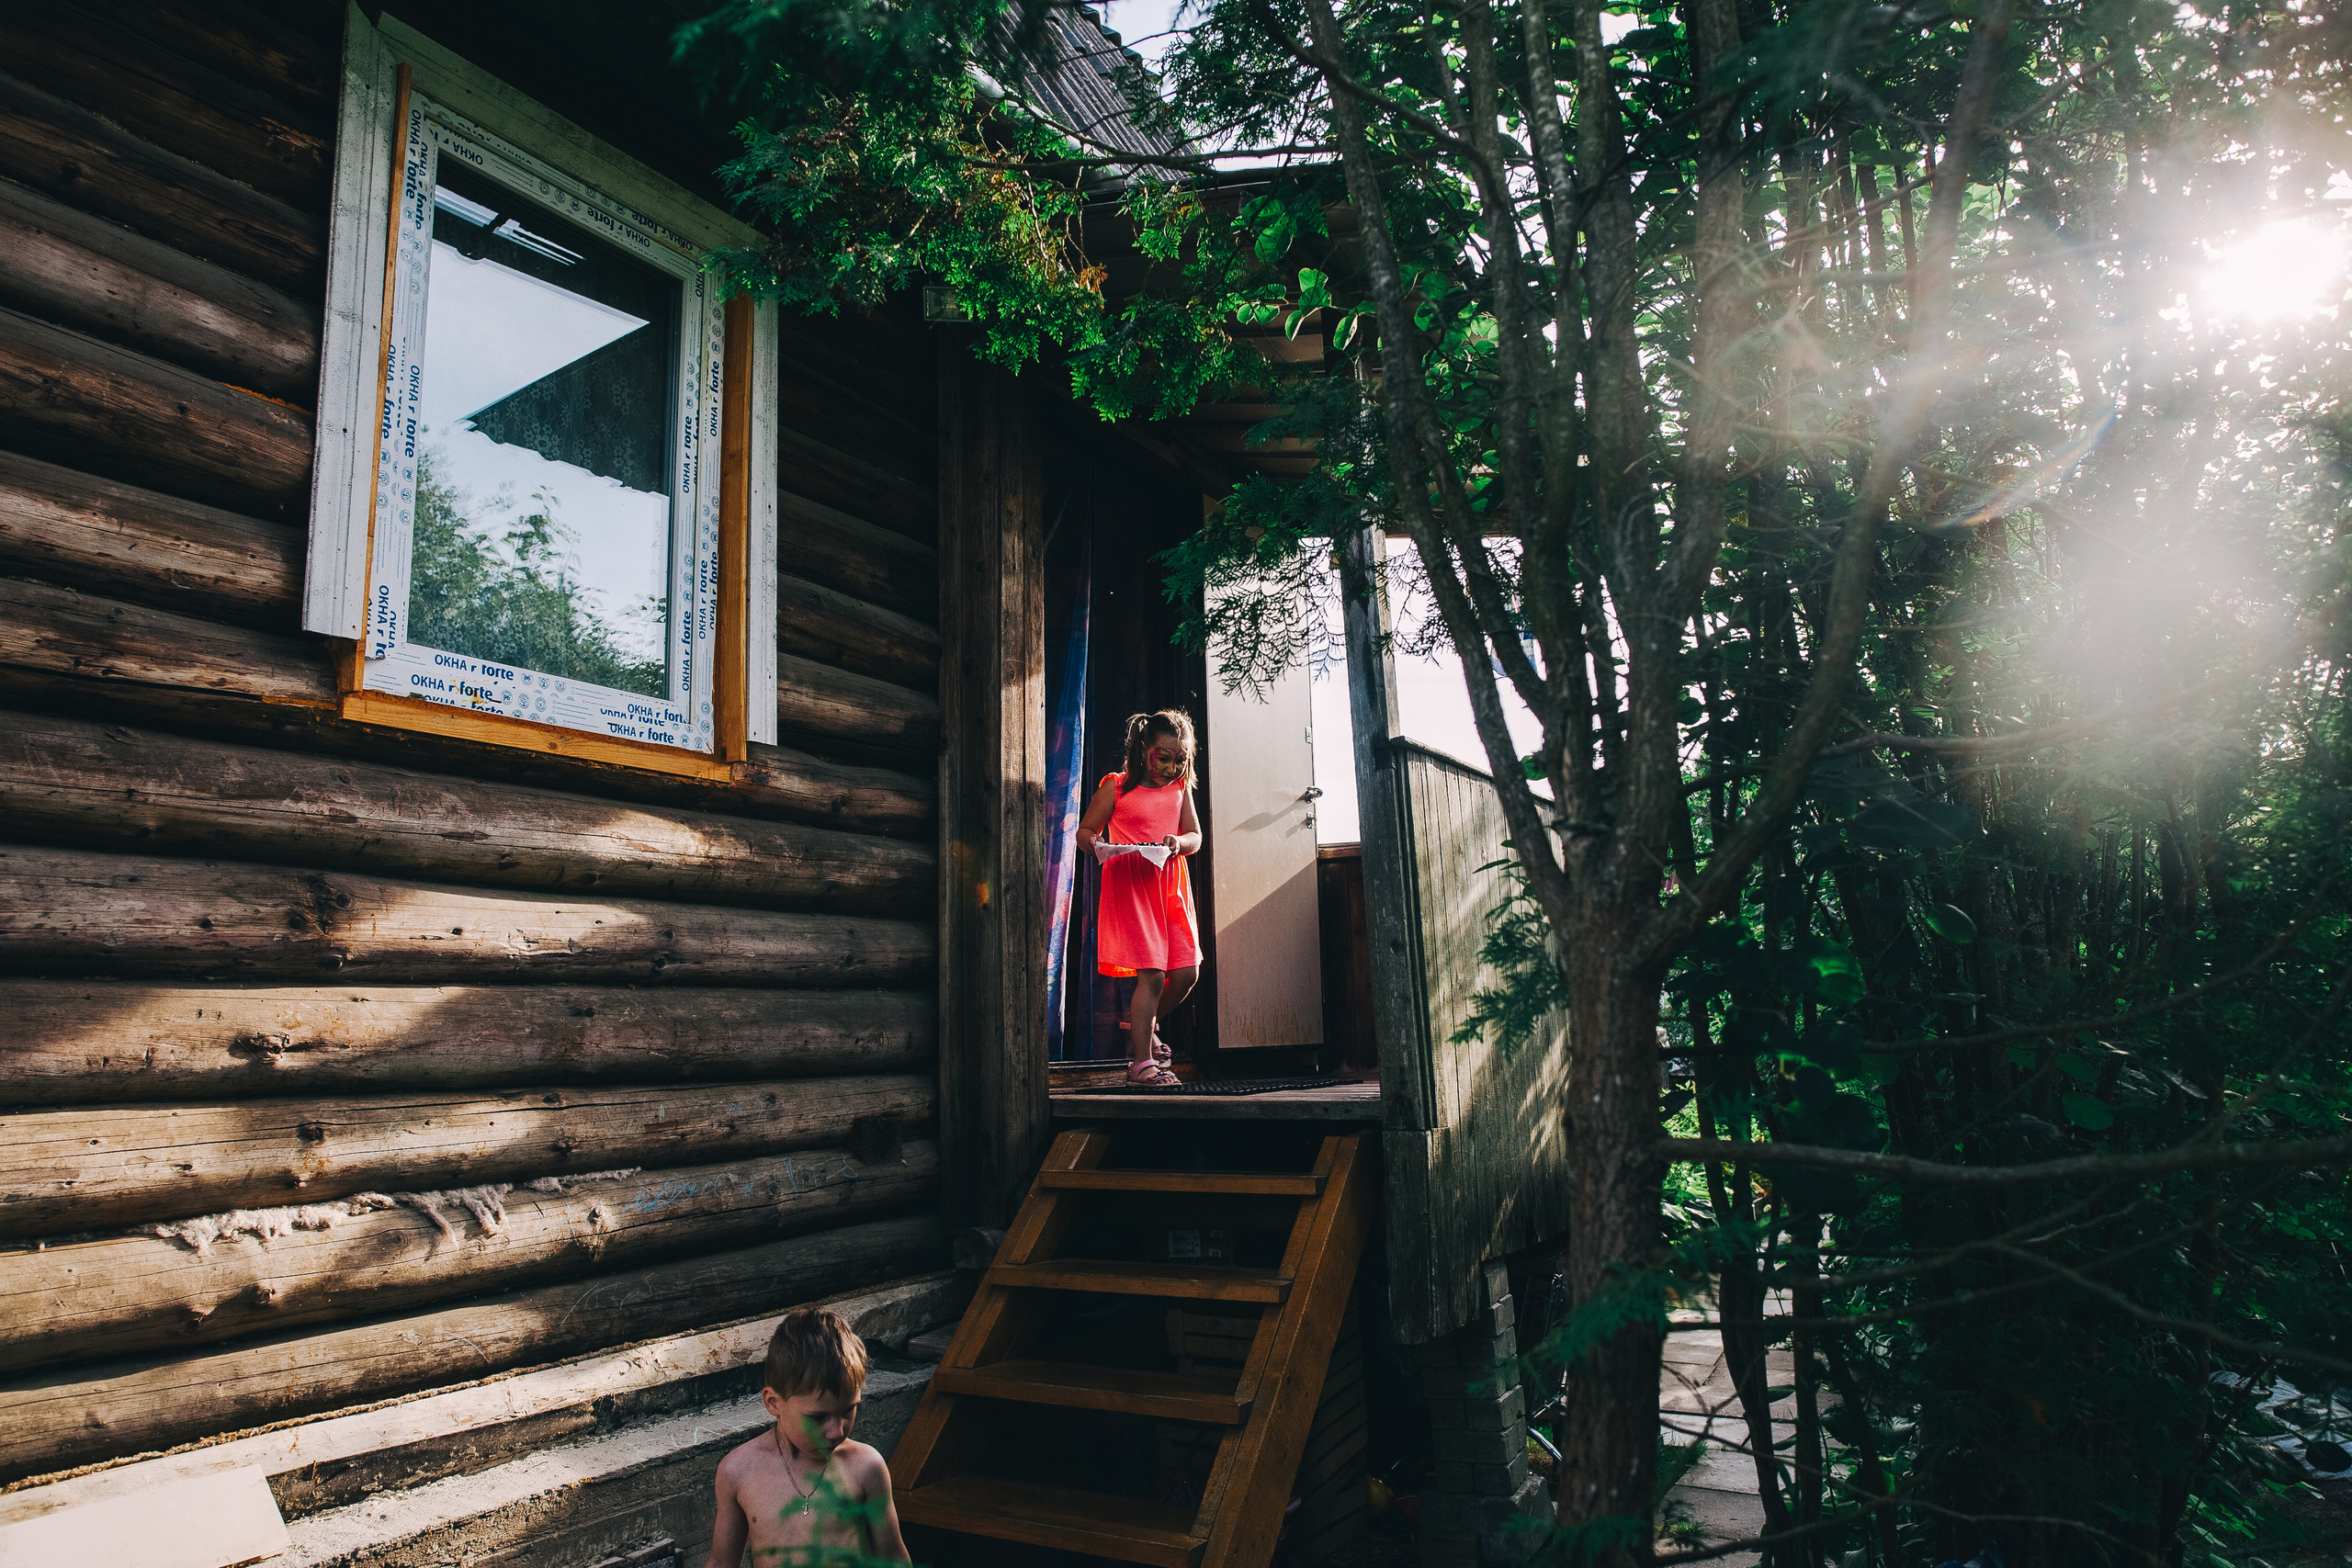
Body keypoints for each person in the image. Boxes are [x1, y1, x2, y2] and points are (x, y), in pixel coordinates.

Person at [706, 1306, 909, 1565]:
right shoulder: (738, 1471)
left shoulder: (866, 1468)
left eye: (849, 1410)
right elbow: (721, 1563)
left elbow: (894, 1560)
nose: (837, 1431)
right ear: (773, 1402)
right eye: (818, 1417)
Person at [1074, 709, 1204, 1088]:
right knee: (1152, 974)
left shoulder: (1179, 790)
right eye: (1164, 756)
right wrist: (1095, 844)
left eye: (1181, 759)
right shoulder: (1116, 787)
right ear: (1145, 748)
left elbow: (1194, 836)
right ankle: (1142, 1064)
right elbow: (1086, 830)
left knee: (1185, 974)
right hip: (1131, 885)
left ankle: (1141, 1026)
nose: (1171, 767)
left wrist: (1179, 843)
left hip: (1170, 886)